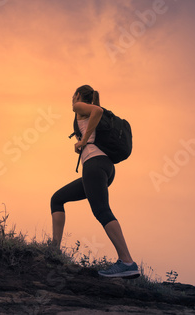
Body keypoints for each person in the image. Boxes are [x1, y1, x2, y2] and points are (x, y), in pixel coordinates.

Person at [50, 85, 140, 278]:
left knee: (102, 211)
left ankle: (127, 262)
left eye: (73, 96)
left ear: (77, 95)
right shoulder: (93, 113)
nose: (72, 100)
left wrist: (82, 142)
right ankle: (54, 252)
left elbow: (97, 110)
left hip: (94, 165)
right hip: (105, 167)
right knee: (57, 199)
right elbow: (98, 110)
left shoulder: (79, 107)